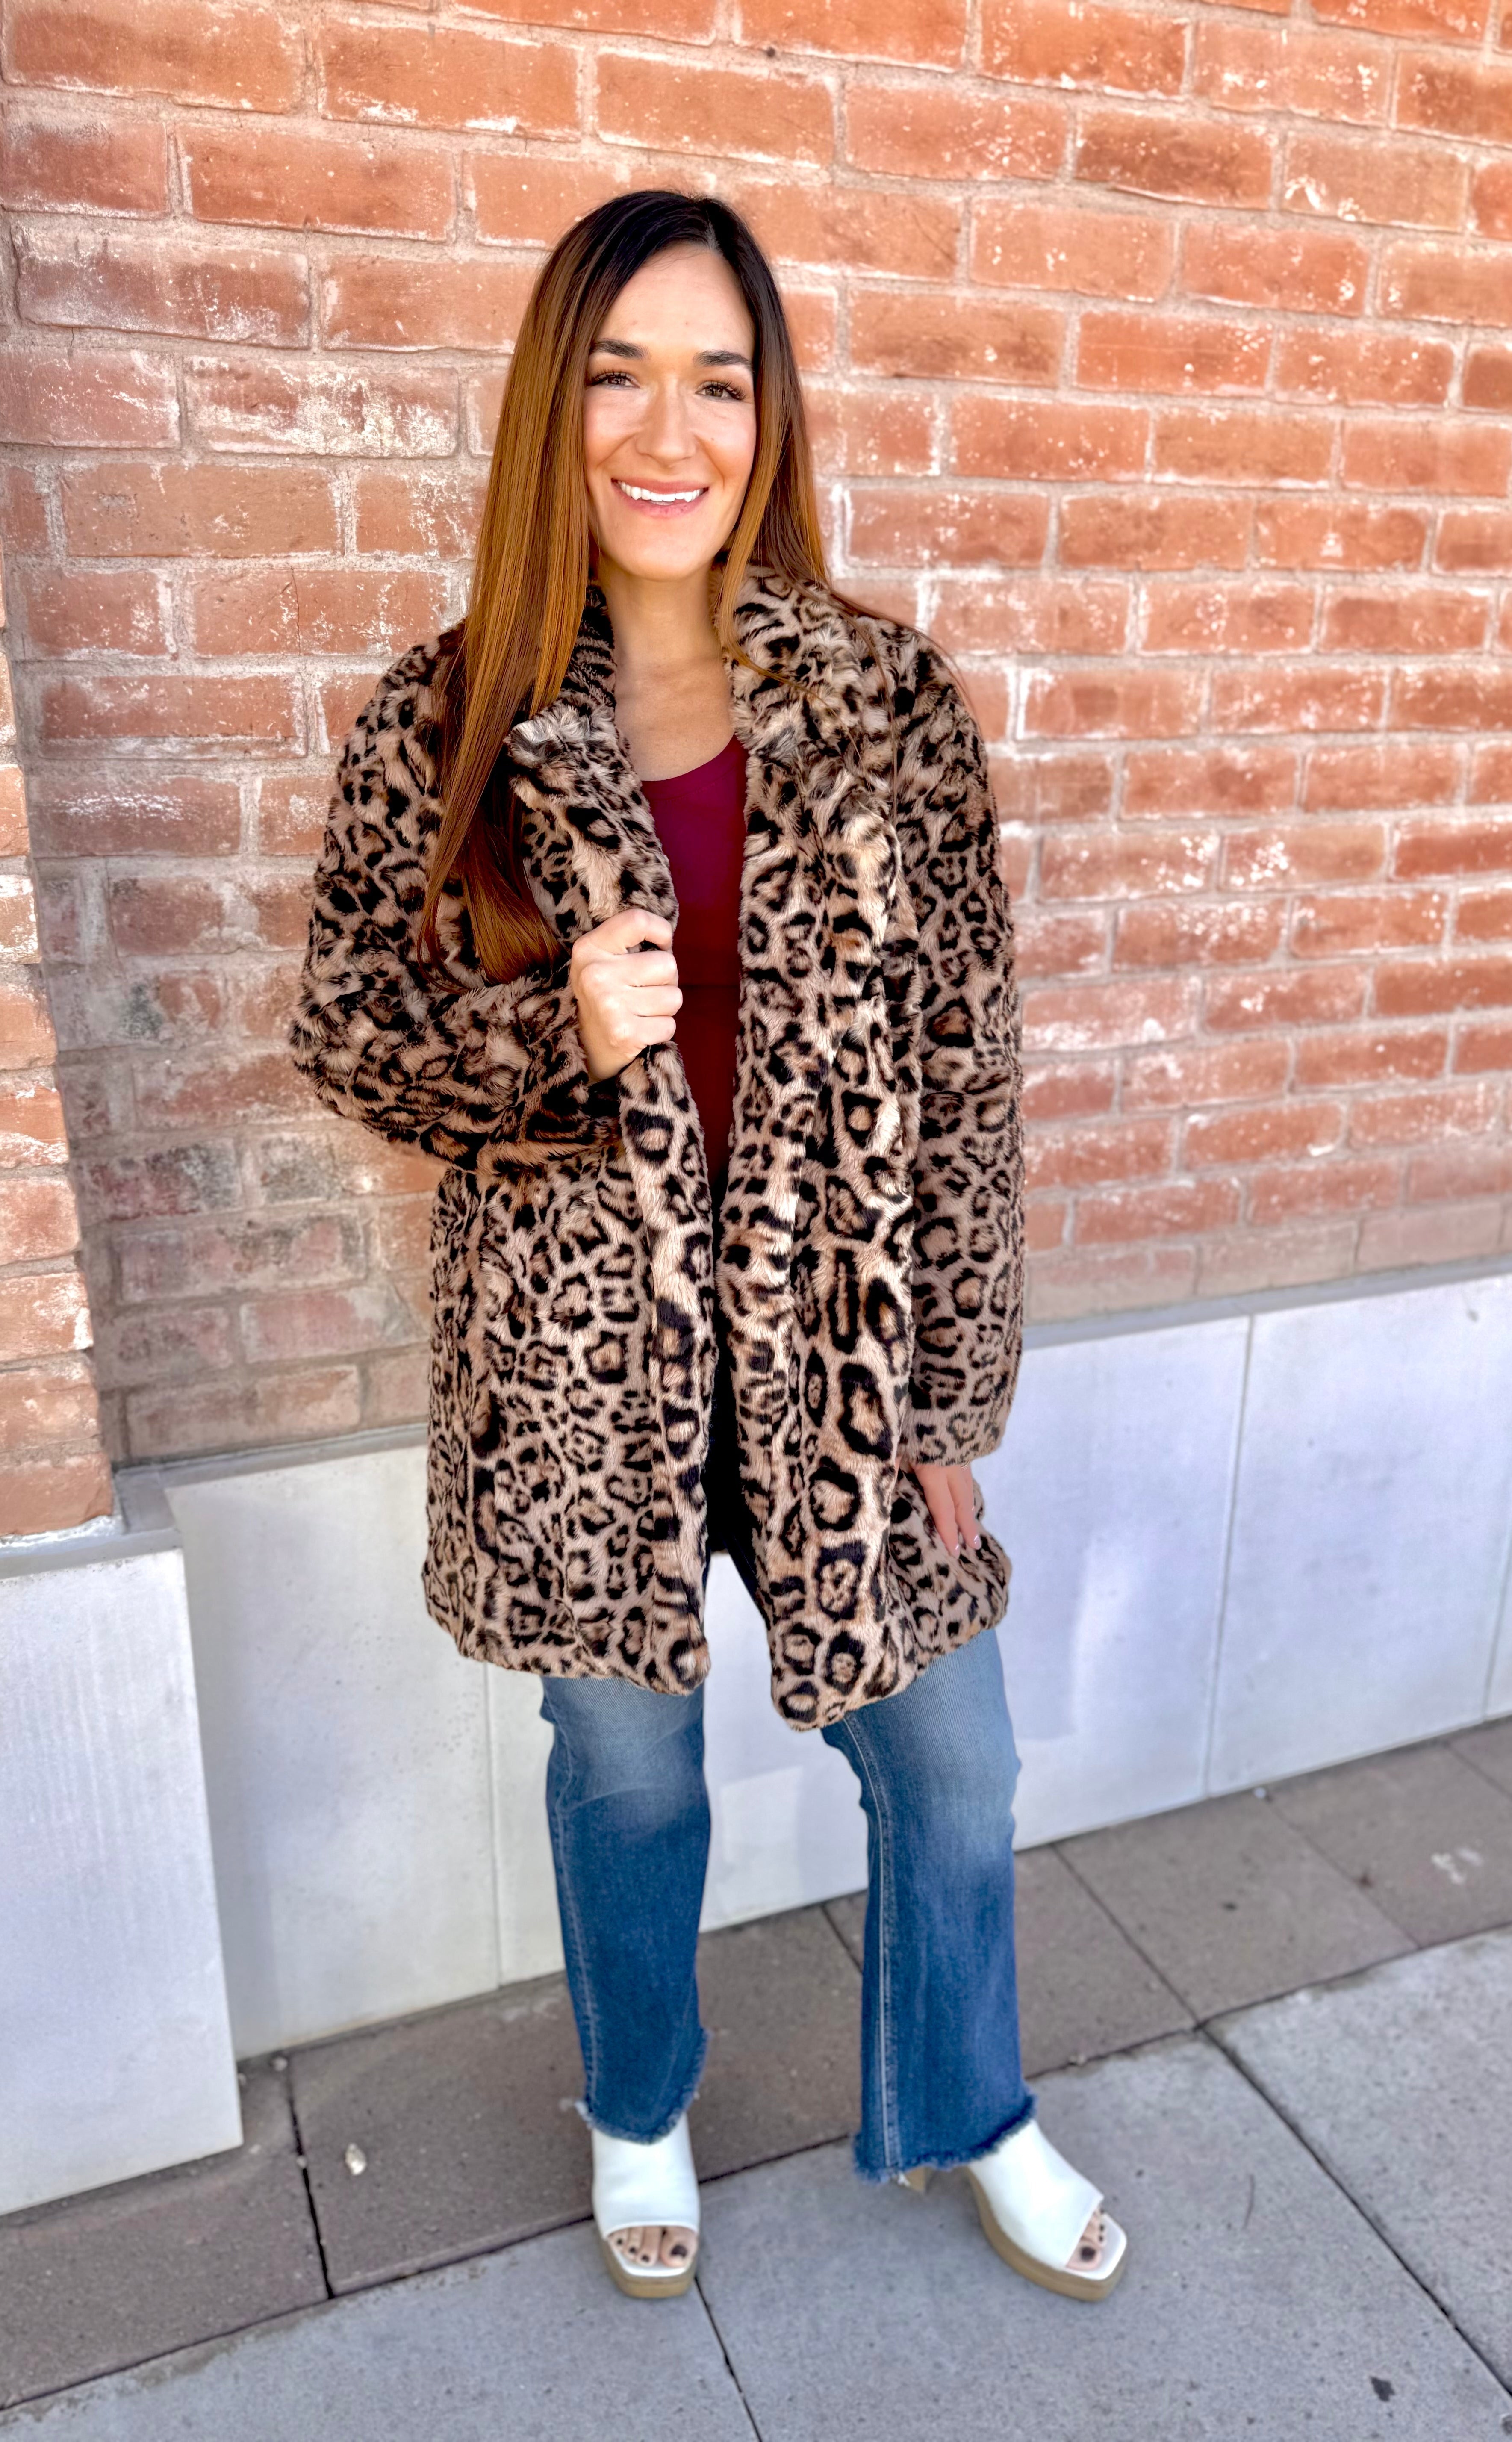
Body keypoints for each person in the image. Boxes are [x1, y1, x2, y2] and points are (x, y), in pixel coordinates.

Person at [291, 189, 1127, 2306]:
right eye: (619, 374)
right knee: (630, 1775)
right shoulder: (444, 719)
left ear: (770, 420)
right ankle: (638, 2102)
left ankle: (971, 2106)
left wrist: (949, 1395)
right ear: (551, 406)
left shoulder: (889, 707)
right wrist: (548, 1033)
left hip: (841, 1363)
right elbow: (351, 1033)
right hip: (586, 1386)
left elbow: (969, 1075)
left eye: (720, 381)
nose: (671, 431)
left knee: (955, 1756)